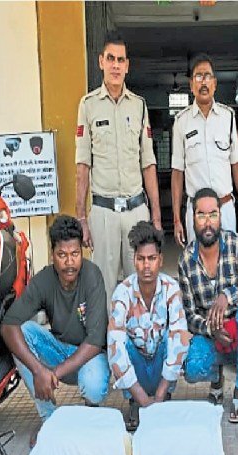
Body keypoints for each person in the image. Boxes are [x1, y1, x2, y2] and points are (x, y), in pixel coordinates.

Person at [0, 216, 110, 446]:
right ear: (52, 255)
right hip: (58, 350)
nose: (69, 262)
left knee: (93, 387)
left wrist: (53, 374)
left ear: (82, 252)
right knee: (24, 331)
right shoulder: (44, 279)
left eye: (75, 254)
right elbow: (8, 325)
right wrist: (38, 370)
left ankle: (91, 415)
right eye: (62, 255)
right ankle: (49, 419)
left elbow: (95, 341)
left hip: (90, 355)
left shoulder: (92, 275)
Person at [75, 31, 161, 302]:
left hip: (136, 209)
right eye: (110, 58)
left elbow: (148, 162)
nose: (115, 65)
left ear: (127, 65)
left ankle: (141, 330)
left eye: (120, 60)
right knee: (104, 288)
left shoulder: (139, 106)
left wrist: (156, 215)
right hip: (104, 212)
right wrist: (82, 218)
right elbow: (82, 165)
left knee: (143, 283)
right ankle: (108, 331)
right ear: (101, 61)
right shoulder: (88, 105)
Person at [178, 188, 238, 423]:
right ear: (192, 218)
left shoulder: (235, 245)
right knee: (192, 368)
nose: (207, 222)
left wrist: (228, 295)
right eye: (201, 215)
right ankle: (216, 379)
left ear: (220, 216)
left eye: (213, 214)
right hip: (212, 336)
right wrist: (211, 329)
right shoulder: (186, 260)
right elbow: (189, 315)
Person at [107, 221, 191, 431]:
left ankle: (164, 397)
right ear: (134, 261)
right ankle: (135, 403)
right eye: (141, 259)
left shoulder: (171, 289)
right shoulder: (122, 293)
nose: (146, 265)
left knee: (176, 337)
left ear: (160, 260)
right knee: (120, 343)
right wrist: (145, 402)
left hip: (161, 371)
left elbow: (180, 339)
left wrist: (160, 393)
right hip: (137, 371)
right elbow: (115, 350)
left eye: (152, 258)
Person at [171, 53, 238, 247]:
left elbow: (237, 164)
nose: (203, 82)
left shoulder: (228, 117)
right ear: (191, 85)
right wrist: (176, 218)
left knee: (229, 260)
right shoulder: (181, 122)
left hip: (225, 208)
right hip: (196, 212)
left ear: (215, 83)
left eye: (207, 76)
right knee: (197, 263)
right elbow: (177, 172)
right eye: (198, 76)